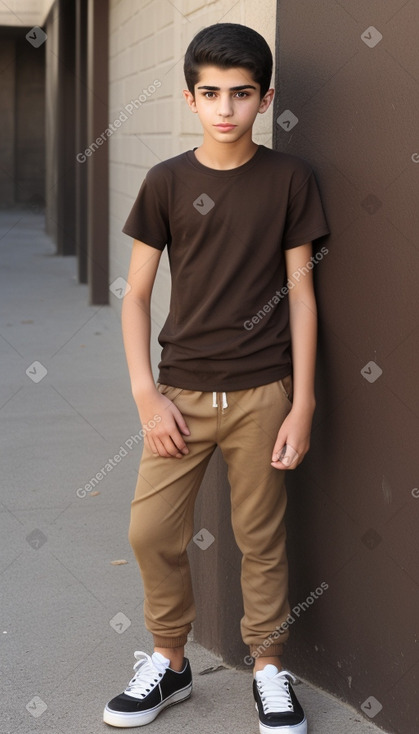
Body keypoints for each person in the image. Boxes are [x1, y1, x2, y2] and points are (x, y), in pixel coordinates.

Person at [103, 22, 329, 734]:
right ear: (189, 97)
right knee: (149, 532)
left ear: (263, 99)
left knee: (258, 536)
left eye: (240, 94)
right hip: (180, 395)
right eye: (210, 93)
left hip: (263, 393)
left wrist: (303, 404)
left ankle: (267, 667)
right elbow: (136, 295)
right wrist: (145, 394)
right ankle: (169, 663)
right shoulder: (166, 180)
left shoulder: (289, 179)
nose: (224, 108)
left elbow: (301, 293)